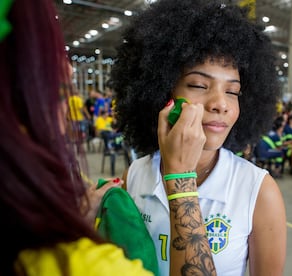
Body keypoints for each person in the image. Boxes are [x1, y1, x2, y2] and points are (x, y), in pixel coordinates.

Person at [1, 0, 214, 275]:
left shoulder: (256, 188)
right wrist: (181, 179)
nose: (66, 71)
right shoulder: (77, 264)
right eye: (43, 48)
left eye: (234, 91)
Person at [111, 0, 287, 275]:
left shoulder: (258, 191)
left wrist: (179, 177)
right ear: (161, 93)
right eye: (198, 85)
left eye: (232, 91)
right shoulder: (135, 175)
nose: (221, 103)